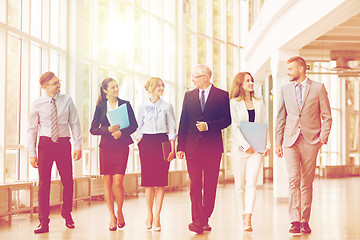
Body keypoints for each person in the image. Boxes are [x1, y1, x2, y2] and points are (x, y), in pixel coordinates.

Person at [275, 56, 332, 235]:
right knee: (293, 179)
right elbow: (280, 118)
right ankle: (294, 220)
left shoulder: (318, 88)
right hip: (290, 141)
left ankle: (304, 220)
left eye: (291, 69)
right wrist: (278, 142)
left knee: (306, 182)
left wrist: (322, 139)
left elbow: (327, 116)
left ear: (301, 69)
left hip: (311, 141)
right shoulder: (284, 89)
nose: (288, 72)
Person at [177, 64, 231, 234]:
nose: (192, 80)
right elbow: (183, 121)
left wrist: (208, 126)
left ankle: (204, 218)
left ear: (206, 77)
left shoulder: (222, 95)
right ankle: (197, 222)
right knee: (194, 185)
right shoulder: (188, 96)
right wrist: (180, 146)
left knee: (209, 186)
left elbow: (226, 120)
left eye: (195, 77)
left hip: (212, 149)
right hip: (192, 148)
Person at [28, 72, 82, 234]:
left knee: (68, 181)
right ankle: (43, 222)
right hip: (45, 144)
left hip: (63, 144)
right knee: (44, 184)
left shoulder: (67, 100)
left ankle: (67, 213)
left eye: (59, 82)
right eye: (55, 83)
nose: (59, 85)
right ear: (45, 87)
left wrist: (78, 145)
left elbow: (75, 123)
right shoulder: (37, 103)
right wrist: (32, 152)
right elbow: (31, 129)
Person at [90, 78, 137, 231]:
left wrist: (121, 132)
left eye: (117, 87)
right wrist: (108, 130)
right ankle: (112, 216)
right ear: (105, 90)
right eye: (112, 87)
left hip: (121, 146)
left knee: (118, 182)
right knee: (108, 182)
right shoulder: (100, 107)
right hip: (106, 148)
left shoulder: (125, 104)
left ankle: (120, 211)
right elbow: (93, 129)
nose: (116, 89)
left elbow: (134, 125)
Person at [229, 72, 270, 232]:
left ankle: (248, 217)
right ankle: (242, 213)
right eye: (247, 80)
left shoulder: (259, 103)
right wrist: (245, 145)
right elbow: (234, 126)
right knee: (239, 184)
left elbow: (265, 123)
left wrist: (267, 144)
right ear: (240, 83)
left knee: (252, 181)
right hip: (240, 148)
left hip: (257, 148)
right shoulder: (234, 103)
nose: (251, 82)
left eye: (252, 80)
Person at [135, 77, 177, 232]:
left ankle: (158, 216)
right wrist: (138, 140)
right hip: (146, 143)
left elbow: (172, 129)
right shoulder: (142, 106)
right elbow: (138, 126)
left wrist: (172, 149)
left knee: (160, 182)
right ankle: (149, 215)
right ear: (151, 87)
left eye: (162, 86)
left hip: (162, 143)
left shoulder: (167, 106)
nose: (161, 88)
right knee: (148, 182)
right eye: (159, 86)